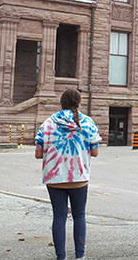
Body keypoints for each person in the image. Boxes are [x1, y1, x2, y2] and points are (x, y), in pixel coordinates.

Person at [35, 89, 101, 260]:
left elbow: (38, 153)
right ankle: (80, 256)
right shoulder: (87, 123)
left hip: (54, 178)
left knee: (59, 216)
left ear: (61, 102)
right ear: (78, 102)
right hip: (78, 177)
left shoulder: (48, 123)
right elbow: (95, 152)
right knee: (79, 215)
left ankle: (60, 257)